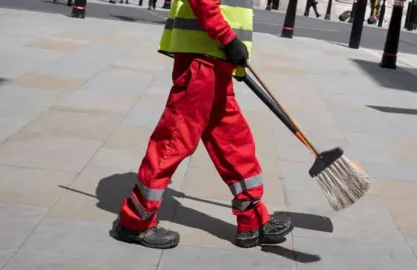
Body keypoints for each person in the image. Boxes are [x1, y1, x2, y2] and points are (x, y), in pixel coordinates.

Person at [114, 0, 294, 250]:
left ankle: (252, 219)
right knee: (174, 140)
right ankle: (135, 221)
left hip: (217, 60)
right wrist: (228, 39)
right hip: (203, 60)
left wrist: (230, 49)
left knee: (233, 139)